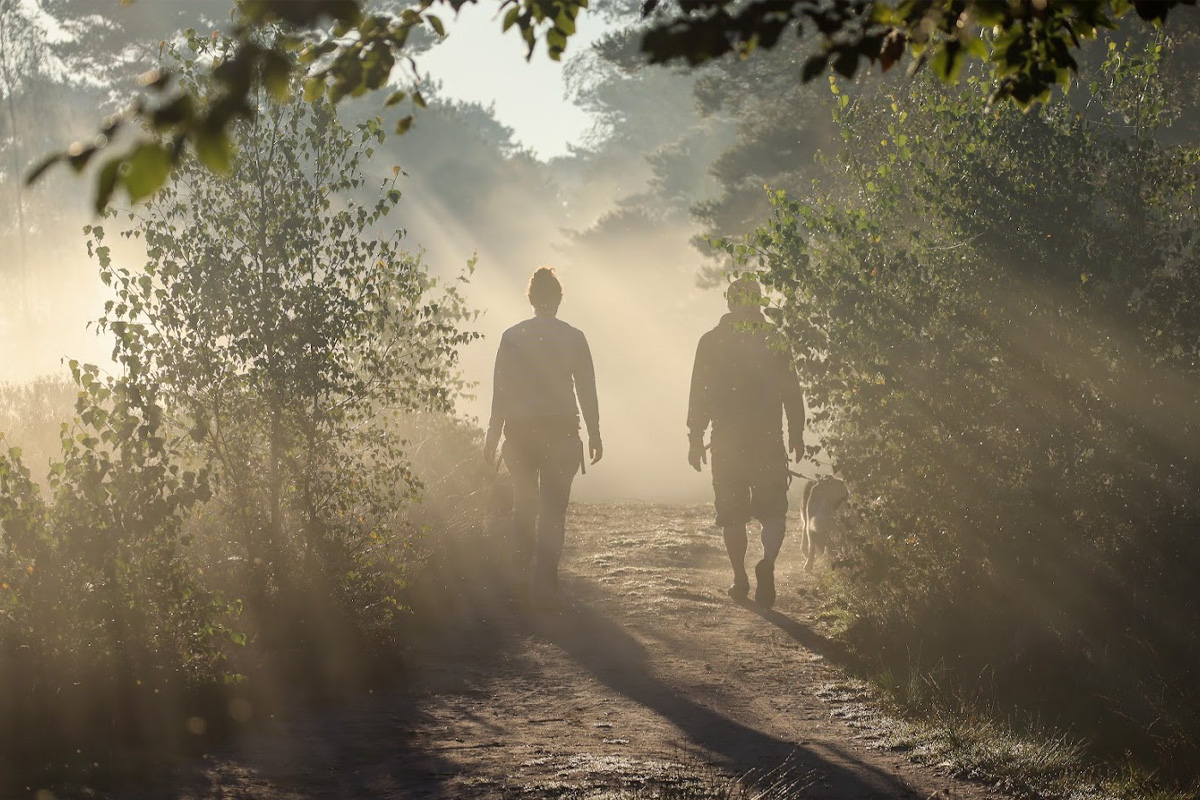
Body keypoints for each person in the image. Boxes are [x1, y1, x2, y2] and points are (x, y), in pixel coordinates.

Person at [484, 267, 602, 607]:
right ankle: (546, 584)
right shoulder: (574, 337)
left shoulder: (512, 336)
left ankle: (519, 579)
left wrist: (492, 437)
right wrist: (594, 433)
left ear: (531, 299)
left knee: (524, 503)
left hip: (520, 433)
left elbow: (500, 390)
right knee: (553, 511)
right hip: (562, 431)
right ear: (560, 299)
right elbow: (587, 389)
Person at [687, 276, 804, 608]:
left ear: (729, 303)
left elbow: (699, 393)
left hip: (726, 440)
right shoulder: (775, 339)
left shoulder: (711, 342)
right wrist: (796, 431)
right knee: (774, 510)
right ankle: (767, 564)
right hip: (769, 438)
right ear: (759, 302)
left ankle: (740, 578)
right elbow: (791, 390)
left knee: (732, 514)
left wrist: (696, 437)